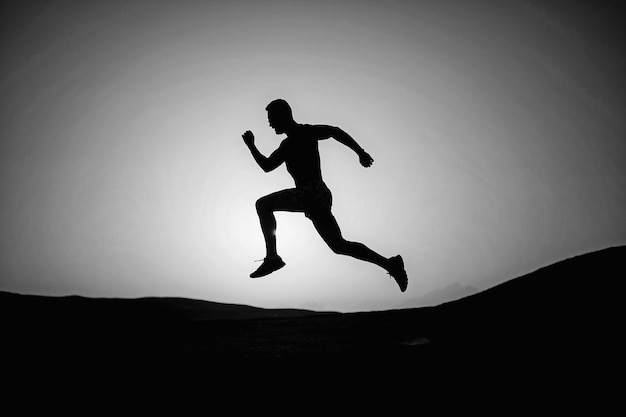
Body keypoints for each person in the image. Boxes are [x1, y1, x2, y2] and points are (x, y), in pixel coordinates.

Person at [242, 99, 408, 292]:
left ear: (283, 116)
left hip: (311, 193)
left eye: (272, 119)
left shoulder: (305, 132)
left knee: (263, 204)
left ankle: (272, 258)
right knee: (339, 245)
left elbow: (334, 131)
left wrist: (360, 152)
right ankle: (390, 264)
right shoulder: (286, 145)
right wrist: (251, 146)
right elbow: (267, 166)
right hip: (315, 196)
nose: (270, 124)